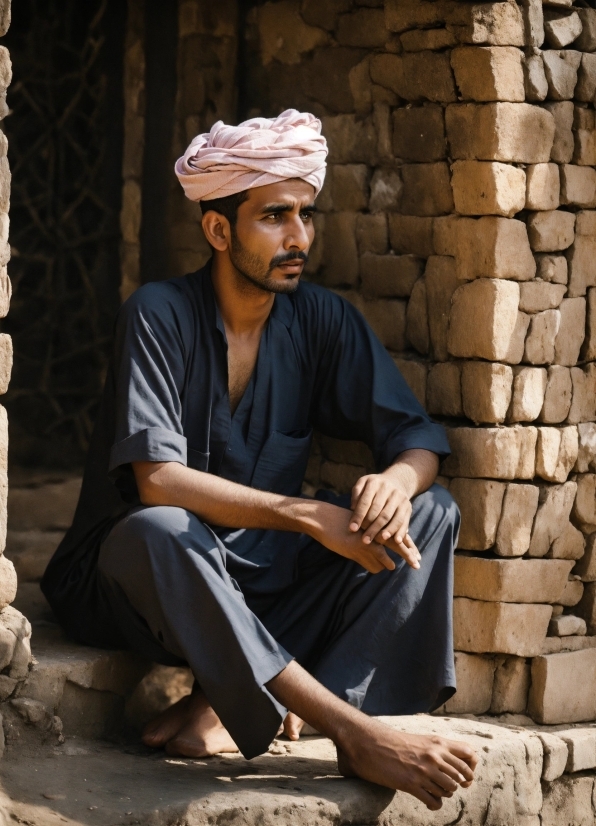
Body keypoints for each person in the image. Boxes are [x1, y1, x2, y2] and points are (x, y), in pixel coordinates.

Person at [41, 109, 477, 811]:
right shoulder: (157, 314)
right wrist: (307, 516)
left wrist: (396, 482)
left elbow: (417, 436)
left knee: (432, 513)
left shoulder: (321, 320)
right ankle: (349, 729)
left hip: (261, 586)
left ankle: (229, 704)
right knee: (161, 529)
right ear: (219, 230)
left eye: (305, 214)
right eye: (275, 216)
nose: (299, 237)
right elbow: (157, 482)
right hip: (139, 586)